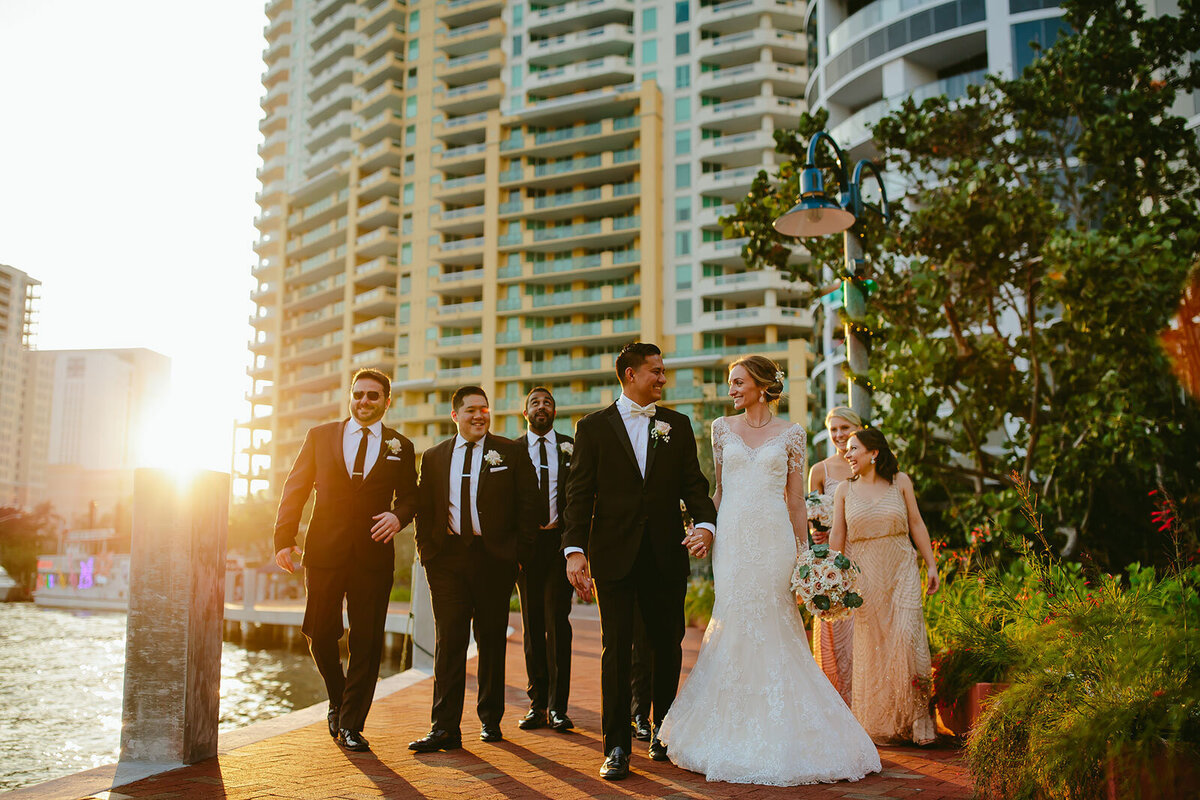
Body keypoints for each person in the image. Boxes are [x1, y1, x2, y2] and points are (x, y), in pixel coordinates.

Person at [658, 355, 880, 786]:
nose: (731, 390)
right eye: (729, 384)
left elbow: (796, 501)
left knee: (777, 628)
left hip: (775, 542)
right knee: (735, 624)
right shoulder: (722, 429)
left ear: (761, 385)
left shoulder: (793, 434)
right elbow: (719, 490)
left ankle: (790, 728)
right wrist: (706, 531)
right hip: (734, 544)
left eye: (738, 382)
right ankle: (727, 726)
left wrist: (804, 557)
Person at [562, 342, 717, 781]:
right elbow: (578, 496)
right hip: (613, 556)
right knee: (616, 651)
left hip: (666, 555)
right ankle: (615, 746)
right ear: (630, 375)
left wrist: (706, 526)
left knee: (667, 646)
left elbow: (695, 485)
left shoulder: (677, 425)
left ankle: (663, 734)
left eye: (663, 371)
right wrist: (574, 551)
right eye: (656, 372)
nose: (663, 379)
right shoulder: (591, 428)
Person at [273, 368, 418, 753]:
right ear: (350, 397)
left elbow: (411, 496)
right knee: (319, 632)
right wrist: (283, 538)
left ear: (387, 401)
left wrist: (398, 516)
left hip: (373, 556)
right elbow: (295, 487)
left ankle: (352, 723)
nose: (364, 402)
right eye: (358, 394)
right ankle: (338, 699)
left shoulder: (400, 446)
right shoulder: (320, 437)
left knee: (367, 642)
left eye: (373, 396)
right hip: (323, 551)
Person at [409, 386, 539, 752]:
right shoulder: (434, 457)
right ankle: (444, 728)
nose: (479, 415)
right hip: (446, 561)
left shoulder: (511, 452)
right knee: (448, 642)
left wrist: (518, 556)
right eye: (470, 410)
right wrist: (426, 553)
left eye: (484, 409)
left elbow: (529, 505)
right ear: (455, 416)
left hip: (494, 560)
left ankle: (490, 720)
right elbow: (424, 508)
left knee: (491, 641)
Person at [830, 427, 940, 745]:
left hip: (901, 567)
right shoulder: (844, 491)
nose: (848, 455)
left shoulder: (900, 482)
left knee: (909, 639)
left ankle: (920, 718)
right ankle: (887, 720)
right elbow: (838, 537)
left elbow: (917, 523)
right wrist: (832, 580)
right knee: (876, 647)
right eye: (847, 450)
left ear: (873, 453)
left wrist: (931, 564)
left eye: (854, 449)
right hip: (866, 575)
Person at [515, 386, 576, 733]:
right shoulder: (511, 450)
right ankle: (537, 704)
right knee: (532, 626)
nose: (542, 407)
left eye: (548, 403)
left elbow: (581, 497)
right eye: (535, 403)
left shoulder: (571, 446)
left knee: (558, 624)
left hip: (559, 545)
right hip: (527, 548)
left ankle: (558, 707)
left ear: (554, 412)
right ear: (526, 414)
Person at [808, 406, 864, 706]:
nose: (840, 435)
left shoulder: (867, 466)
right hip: (834, 560)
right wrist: (817, 533)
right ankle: (840, 702)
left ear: (857, 428)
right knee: (838, 631)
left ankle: (867, 699)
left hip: (865, 554)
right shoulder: (820, 470)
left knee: (864, 628)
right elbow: (811, 514)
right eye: (834, 430)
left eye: (845, 428)